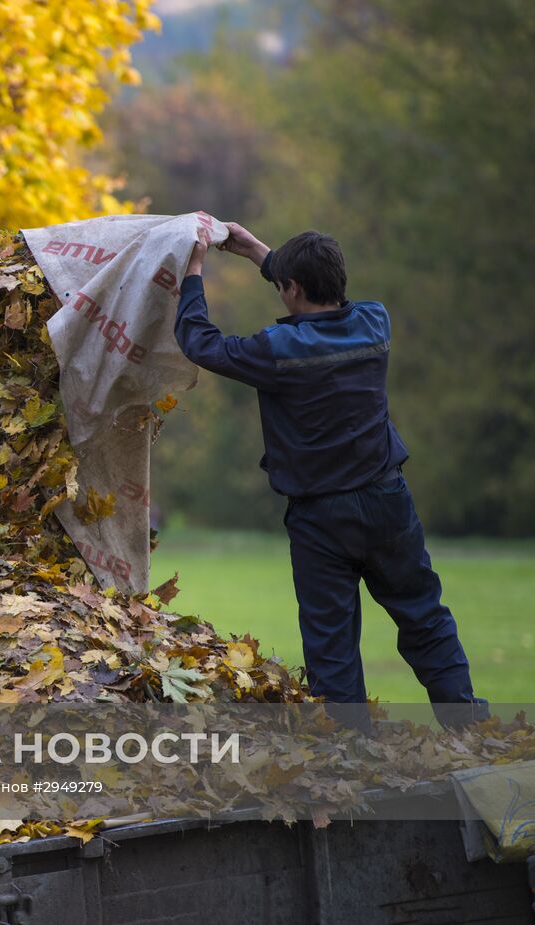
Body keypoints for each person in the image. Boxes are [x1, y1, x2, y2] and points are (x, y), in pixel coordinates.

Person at [173, 222, 488, 730]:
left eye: (284, 285)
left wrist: (192, 271)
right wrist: (259, 254)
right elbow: (314, 294)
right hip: (388, 502)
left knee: (332, 646)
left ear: (293, 289)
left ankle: (350, 756)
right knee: (424, 616)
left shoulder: (276, 348)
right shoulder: (375, 323)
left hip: (321, 518)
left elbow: (201, 342)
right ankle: (470, 727)